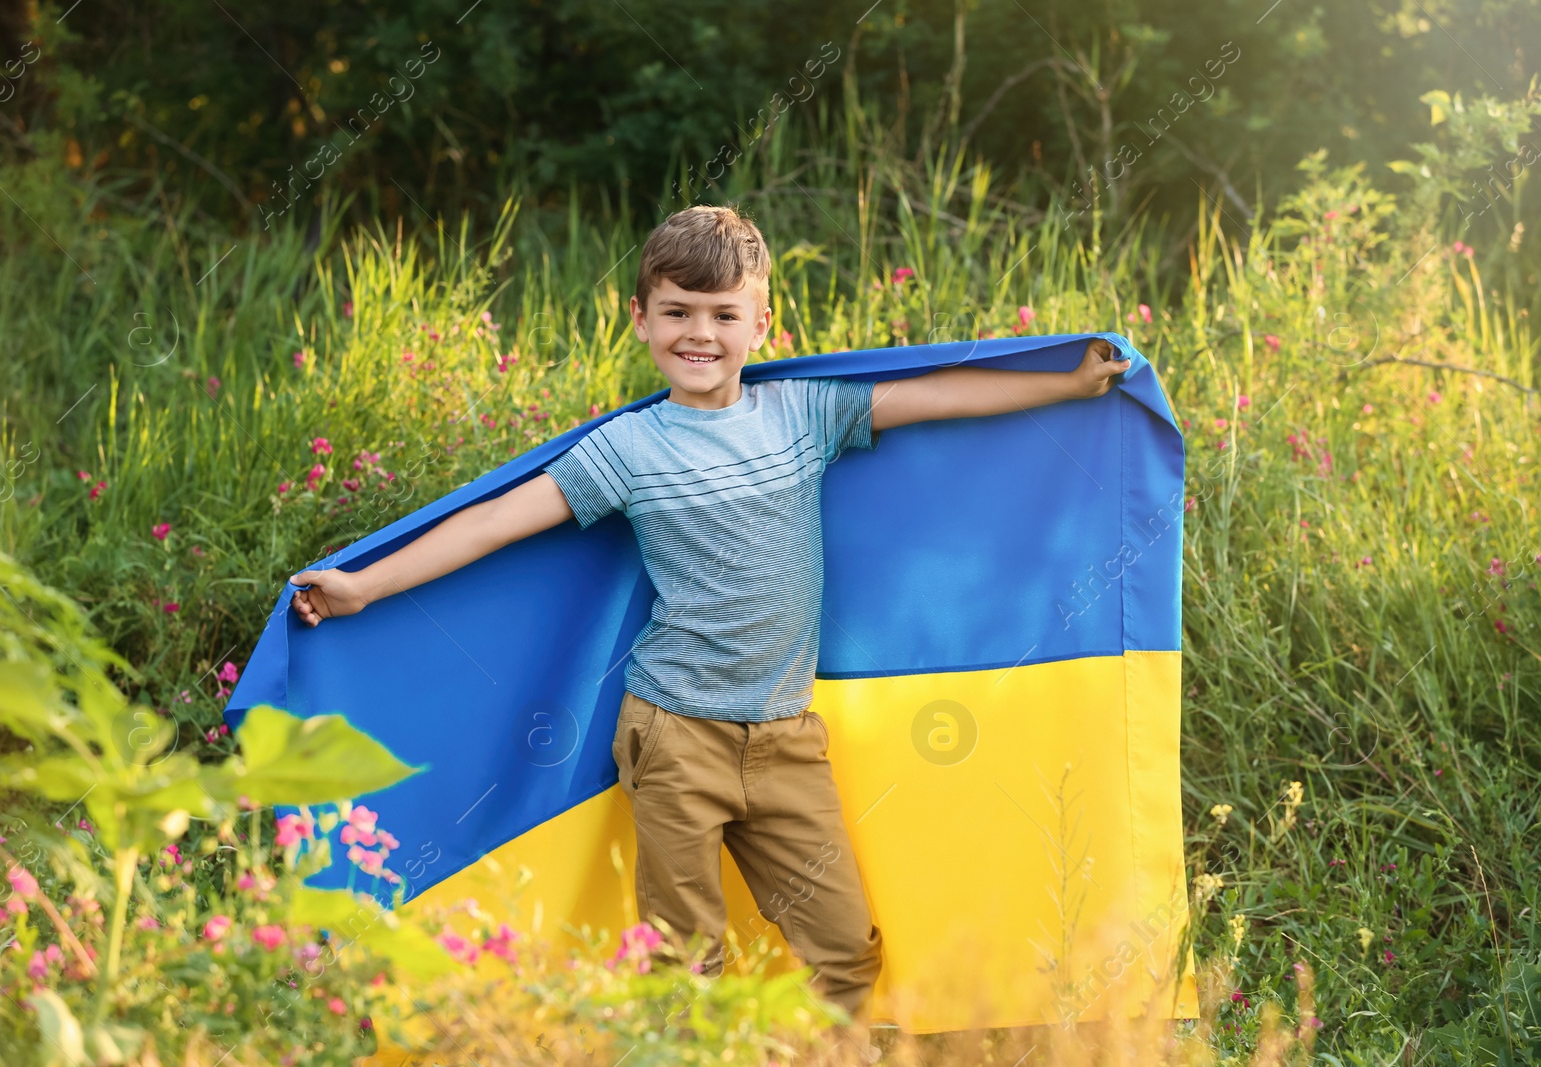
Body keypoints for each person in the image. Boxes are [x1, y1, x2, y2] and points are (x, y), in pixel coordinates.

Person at [287, 205, 1129, 1062]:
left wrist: (1064, 383)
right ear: (641, 318)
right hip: (674, 734)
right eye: (679, 312)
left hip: (786, 739)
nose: (701, 333)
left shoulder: (802, 414)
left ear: (762, 322)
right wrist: (364, 585)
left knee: (842, 950)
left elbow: (935, 396)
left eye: (724, 315)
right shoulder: (628, 449)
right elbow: (497, 522)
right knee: (686, 962)